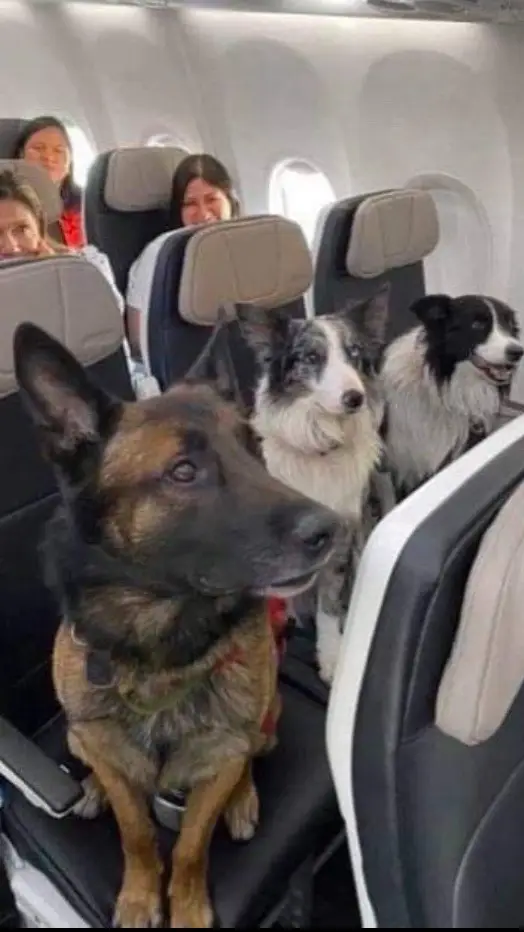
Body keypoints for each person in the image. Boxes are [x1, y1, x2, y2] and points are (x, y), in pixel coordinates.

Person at [125, 152, 240, 359]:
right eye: (190, 204)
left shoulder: (256, 242)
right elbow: (139, 342)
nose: (203, 214)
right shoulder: (158, 256)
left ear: (230, 200)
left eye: (212, 199)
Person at [0, 168, 122, 312]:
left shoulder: (87, 266)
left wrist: (56, 277)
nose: (10, 246)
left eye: (21, 229)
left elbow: (106, 319)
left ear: (39, 228)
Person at [12, 115, 86, 248]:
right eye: (38, 148)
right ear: (20, 156)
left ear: (69, 164)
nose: (49, 157)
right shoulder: (6, 205)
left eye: (59, 151)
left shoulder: (87, 206)